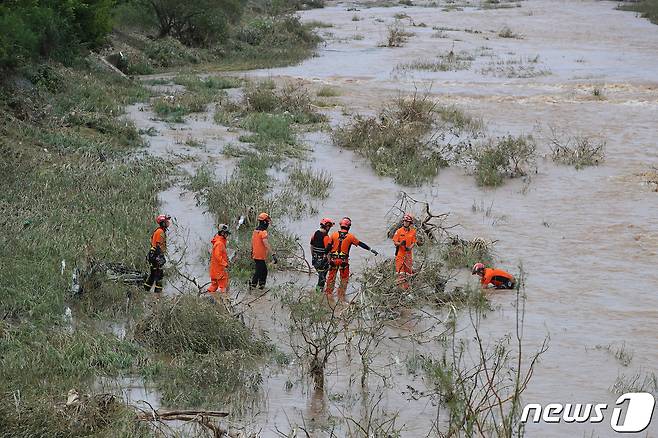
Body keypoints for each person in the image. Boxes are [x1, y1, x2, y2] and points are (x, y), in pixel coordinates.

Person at [325, 217, 378, 300]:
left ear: (340, 225)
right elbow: (361, 244)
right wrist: (371, 249)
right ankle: (341, 296)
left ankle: (328, 296)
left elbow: (327, 249)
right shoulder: (350, 237)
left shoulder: (333, 235)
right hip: (343, 262)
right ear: (349, 227)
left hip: (333, 261)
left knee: (331, 279)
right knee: (344, 279)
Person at [144, 214, 171, 293]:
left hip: (154, 255)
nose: (168, 222)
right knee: (159, 275)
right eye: (166, 221)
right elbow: (158, 246)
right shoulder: (160, 232)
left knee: (153, 275)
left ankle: (145, 291)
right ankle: (158, 295)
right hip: (155, 255)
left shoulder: (160, 231)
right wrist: (160, 257)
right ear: (163, 223)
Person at [250, 212, 276, 290]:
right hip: (260, 256)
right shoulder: (263, 232)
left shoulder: (255, 231)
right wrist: (273, 254)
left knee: (263, 270)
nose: (268, 224)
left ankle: (260, 286)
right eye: (267, 222)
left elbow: (252, 242)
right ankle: (253, 287)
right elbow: (266, 244)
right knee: (259, 271)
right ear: (265, 222)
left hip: (256, 255)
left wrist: (251, 251)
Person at [392, 213, 417, 290]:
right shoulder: (398, 231)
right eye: (404, 221)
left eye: (407, 221)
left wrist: (409, 248)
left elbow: (414, 242)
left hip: (408, 256)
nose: (405, 222)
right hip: (400, 255)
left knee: (408, 274)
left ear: (410, 223)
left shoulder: (413, 232)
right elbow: (395, 242)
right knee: (400, 274)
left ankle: (407, 289)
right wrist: (400, 244)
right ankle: (400, 290)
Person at [310, 218, 334, 292]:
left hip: (315, 260)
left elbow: (311, 246)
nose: (329, 228)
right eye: (329, 227)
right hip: (323, 262)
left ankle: (318, 293)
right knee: (322, 279)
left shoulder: (315, 233)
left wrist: (313, 256)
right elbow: (328, 252)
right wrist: (330, 263)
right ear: (327, 226)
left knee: (321, 277)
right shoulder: (326, 237)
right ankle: (318, 294)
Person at [208, 224, 230, 297]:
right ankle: (225, 303)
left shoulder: (217, 241)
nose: (227, 235)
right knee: (223, 287)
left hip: (214, 270)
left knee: (213, 286)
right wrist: (225, 264)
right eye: (227, 234)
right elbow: (218, 256)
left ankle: (208, 297)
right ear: (223, 233)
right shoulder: (220, 243)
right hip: (220, 271)